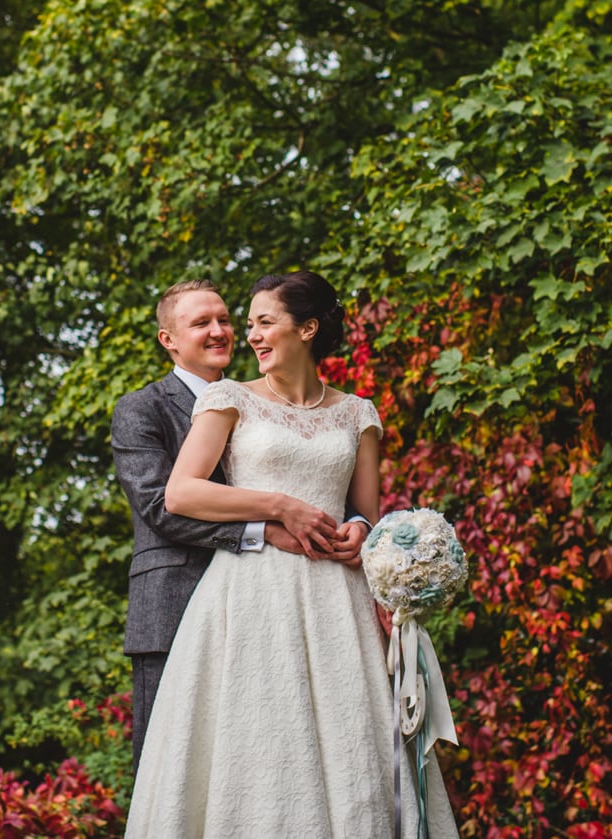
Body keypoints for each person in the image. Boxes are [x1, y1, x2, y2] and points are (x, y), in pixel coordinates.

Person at [124, 271, 458, 838]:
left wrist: (359, 531)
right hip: (254, 589)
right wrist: (280, 506)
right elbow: (180, 493)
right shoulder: (228, 398)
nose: (247, 335)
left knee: (349, 735)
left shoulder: (358, 414)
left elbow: (365, 512)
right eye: (246, 323)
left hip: (337, 597)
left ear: (307, 328)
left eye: (260, 322)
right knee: (260, 733)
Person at [111, 279, 346, 768]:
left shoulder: (258, 400)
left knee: (250, 759)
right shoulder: (142, 408)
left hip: (263, 604)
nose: (219, 331)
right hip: (175, 600)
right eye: (201, 323)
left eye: (224, 320)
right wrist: (263, 529)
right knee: (172, 766)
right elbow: (160, 505)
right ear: (168, 340)